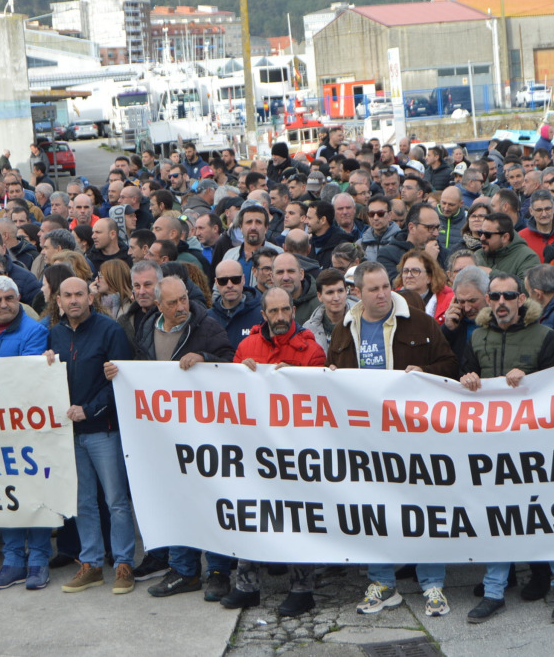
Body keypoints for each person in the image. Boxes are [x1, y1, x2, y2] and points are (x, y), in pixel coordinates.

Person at [328, 262, 457, 617]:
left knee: (425, 509)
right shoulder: (344, 329)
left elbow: (450, 366)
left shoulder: (420, 322)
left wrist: (424, 373)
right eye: (374, 289)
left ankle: (432, 585)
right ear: (358, 292)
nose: (383, 294)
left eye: (386, 285)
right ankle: (383, 582)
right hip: (366, 439)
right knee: (374, 511)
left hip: (415, 437)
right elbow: (330, 375)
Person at [457, 272, 554, 624]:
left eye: (509, 295)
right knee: (497, 519)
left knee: (551, 517)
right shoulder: (476, 337)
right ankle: (494, 592)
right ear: (488, 301)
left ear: (522, 300)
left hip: (539, 447)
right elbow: (462, 383)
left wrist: (538, 376)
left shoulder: (545, 336)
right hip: (493, 448)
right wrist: (468, 380)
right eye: (495, 296)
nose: (502, 302)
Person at [219, 288, 327, 616]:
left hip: (297, 450)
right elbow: (232, 397)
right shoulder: (246, 347)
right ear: (263, 314)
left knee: (298, 518)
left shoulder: (312, 350)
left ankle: (302, 590)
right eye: (273, 312)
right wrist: (242, 375)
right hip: (256, 450)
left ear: (293, 310)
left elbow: (319, 399)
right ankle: (247, 586)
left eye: (285, 310)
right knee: (250, 514)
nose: (280, 317)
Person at [133, 276, 236, 601]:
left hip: (206, 436)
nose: (181, 307)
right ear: (159, 304)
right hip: (164, 437)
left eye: (184, 300)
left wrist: (206, 358)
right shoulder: (147, 329)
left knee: (210, 500)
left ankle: (218, 571)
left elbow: (230, 363)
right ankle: (184, 570)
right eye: (173, 303)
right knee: (175, 502)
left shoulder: (207, 325)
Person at [52, 278, 137, 597]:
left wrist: (90, 410)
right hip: (70, 433)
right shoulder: (55, 334)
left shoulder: (109, 331)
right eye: (67, 295)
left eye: (79, 294)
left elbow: (120, 381)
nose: (74, 300)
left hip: (104, 430)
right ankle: (90, 564)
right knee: (82, 501)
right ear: (58, 300)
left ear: (91, 297)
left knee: (116, 501)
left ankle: (123, 563)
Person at [0, 276, 53, 591]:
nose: (4, 304)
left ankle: (38, 561)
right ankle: (13, 560)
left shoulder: (34, 331)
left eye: (9, 298)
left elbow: (28, 371)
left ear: (19, 299)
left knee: (35, 495)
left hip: (28, 426)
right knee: (8, 496)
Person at [208, 258, 263, 344]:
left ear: (243, 280)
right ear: (216, 283)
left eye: (235, 279)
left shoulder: (262, 315)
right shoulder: (207, 318)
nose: (229, 285)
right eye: (223, 281)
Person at [473, 212, 538, 279]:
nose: (482, 238)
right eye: (480, 233)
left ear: (505, 237)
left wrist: (492, 274)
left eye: (487, 235)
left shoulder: (527, 257)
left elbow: (528, 287)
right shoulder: (478, 255)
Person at [396, 250, 453, 323]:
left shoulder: (447, 303)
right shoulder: (392, 300)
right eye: (406, 271)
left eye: (415, 271)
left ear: (429, 277)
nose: (409, 275)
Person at [303, 268, 352, 351]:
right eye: (330, 292)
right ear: (319, 296)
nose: (336, 298)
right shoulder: (308, 329)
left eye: (340, 291)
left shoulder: (359, 323)